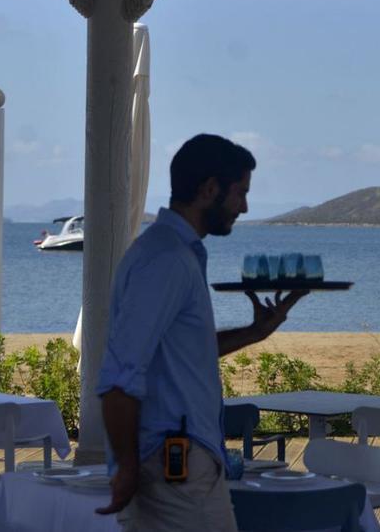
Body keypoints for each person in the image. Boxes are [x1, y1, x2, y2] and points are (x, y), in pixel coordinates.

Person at [95, 134, 308, 531]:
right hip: (173, 469)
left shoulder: (169, 252)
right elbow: (120, 377)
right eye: (239, 193)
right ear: (209, 189)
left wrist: (254, 333)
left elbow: (180, 355)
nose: (244, 206)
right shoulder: (168, 260)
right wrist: (126, 467)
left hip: (176, 464)